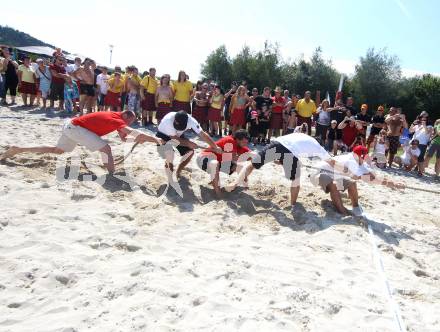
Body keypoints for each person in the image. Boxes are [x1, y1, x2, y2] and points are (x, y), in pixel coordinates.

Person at [1, 111, 162, 173]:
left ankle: (18, 149)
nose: (129, 125)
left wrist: (137, 139)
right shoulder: (117, 120)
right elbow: (133, 132)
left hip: (71, 125)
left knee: (57, 150)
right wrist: (155, 139)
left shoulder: (116, 116)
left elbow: (125, 136)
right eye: (130, 122)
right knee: (106, 149)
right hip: (75, 128)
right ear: (127, 117)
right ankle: (112, 175)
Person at [227, 133, 332, 212]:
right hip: (290, 151)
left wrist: (281, 160)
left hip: (277, 143)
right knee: (296, 179)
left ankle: (234, 184)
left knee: (253, 164)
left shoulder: (301, 135)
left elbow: (285, 147)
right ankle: (293, 205)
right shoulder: (318, 146)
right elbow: (331, 161)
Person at [311, 145, 402, 216]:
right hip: (318, 173)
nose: (367, 157)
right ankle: (342, 212)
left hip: (333, 175)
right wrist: (387, 183)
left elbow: (373, 176)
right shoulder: (351, 161)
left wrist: (393, 183)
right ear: (361, 156)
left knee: (352, 183)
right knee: (334, 185)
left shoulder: (359, 160)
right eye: (366, 156)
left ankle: (356, 207)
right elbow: (367, 179)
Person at [156, 111, 221, 177]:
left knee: (190, 152)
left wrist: (215, 147)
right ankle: (170, 176)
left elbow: (202, 134)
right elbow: (174, 139)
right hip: (163, 135)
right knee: (170, 155)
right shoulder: (168, 121)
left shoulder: (191, 121)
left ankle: (179, 170)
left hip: (177, 135)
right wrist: (188, 143)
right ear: (174, 121)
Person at [196, 129, 250, 197]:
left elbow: (251, 155)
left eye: (246, 142)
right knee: (215, 163)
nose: (245, 144)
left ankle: (246, 186)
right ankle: (218, 193)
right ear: (238, 140)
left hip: (217, 162)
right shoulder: (230, 141)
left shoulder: (240, 145)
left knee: (240, 167)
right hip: (203, 158)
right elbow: (233, 158)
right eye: (244, 142)